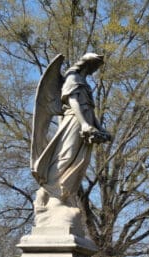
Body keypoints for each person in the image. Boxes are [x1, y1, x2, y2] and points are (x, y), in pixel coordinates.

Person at [31, 53, 112, 234]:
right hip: (74, 122)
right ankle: (54, 195)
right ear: (87, 64)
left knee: (79, 162)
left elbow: (89, 109)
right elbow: (73, 101)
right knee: (66, 156)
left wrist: (99, 128)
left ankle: (65, 196)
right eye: (95, 67)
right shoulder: (72, 77)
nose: (95, 71)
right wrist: (84, 124)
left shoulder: (84, 82)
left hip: (85, 122)